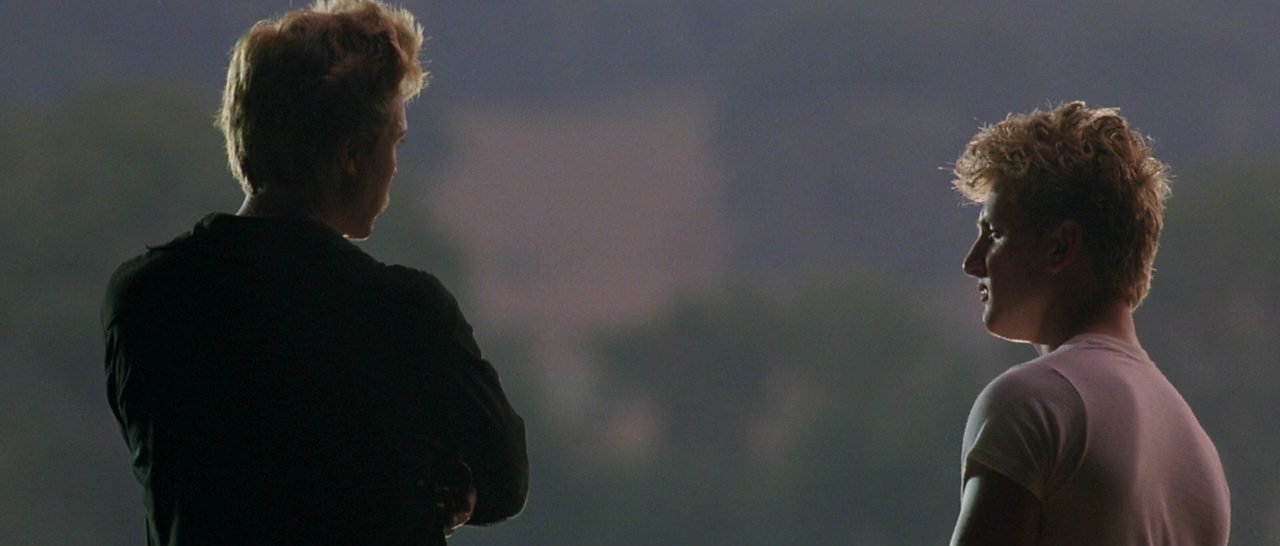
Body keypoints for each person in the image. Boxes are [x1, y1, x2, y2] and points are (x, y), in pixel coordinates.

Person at [101, 1, 528, 544]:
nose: (396, 166)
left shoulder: (143, 299)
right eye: (394, 141)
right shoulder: (405, 314)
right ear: (351, 155)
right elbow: (505, 480)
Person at [947, 102, 1230, 546]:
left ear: (1061, 246)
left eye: (995, 234)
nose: (972, 262)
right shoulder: (1200, 459)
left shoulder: (1034, 405)